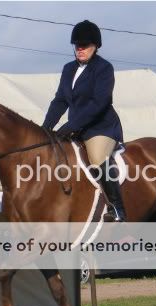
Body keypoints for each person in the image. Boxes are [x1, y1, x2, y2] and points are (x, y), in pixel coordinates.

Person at [43, 20, 126, 222]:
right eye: (77, 45)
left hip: (101, 127)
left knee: (97, 158)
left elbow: (100, 103)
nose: (80, 49)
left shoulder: (104, 68)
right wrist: (45, 128)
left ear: (95, 46)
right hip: (77, 128)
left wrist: (71, 125)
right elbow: (60, 100)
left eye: (85, 46)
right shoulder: (68, 68)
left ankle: (117, 208)